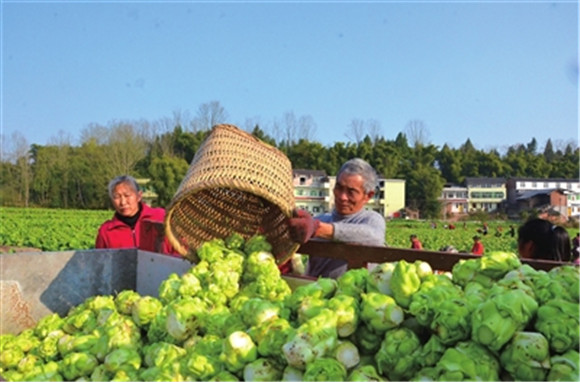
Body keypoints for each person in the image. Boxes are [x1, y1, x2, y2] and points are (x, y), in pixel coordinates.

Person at [287, 158, 386, 278]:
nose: (342, 196)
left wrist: (319, 229)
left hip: (350, 295)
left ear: (368, 196)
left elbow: (375, 237)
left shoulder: (371, 219)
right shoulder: (322, 219)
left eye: (351, 192)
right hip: (313, 292)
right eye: (339, 188)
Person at [95, 175, 176, 255]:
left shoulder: (161, 217)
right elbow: (101, 263)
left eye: (127, 195)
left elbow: (180, 251)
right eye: (117, 197)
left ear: (139, 196)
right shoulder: (106, 231)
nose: (123, 202)